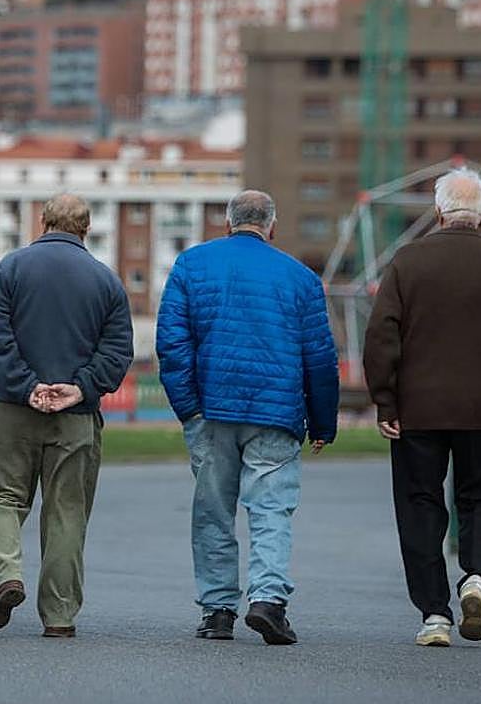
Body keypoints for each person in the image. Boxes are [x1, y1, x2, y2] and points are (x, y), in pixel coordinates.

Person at [156, 189, 338, 646]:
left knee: (213, 513)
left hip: (212, 411)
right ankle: (268, 600)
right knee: (271, 509)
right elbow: (319, 358)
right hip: (276, 413)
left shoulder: (191, 266)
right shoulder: (300, 278)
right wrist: (322, 422)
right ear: (272, 226)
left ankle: (218, 611)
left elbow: (172, 344)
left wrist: (188, 408)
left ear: (227, 222)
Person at [364, 167, 481, 648]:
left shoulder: (408, 261)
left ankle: (435, 613)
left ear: (437, 211)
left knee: (419, 506)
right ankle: (476, 575)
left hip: (418, 410)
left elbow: (381, 335)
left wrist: (385, 400)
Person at [0, 194, 133, 638]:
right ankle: (59, 616)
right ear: (86, 229)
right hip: (76, 414)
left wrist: (27, 386)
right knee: (67, 511)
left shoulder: (10, 268)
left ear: (42, 222)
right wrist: (80, 386)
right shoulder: (106, 281)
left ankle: (7, 574)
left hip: (12, 408)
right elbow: (118, 350)